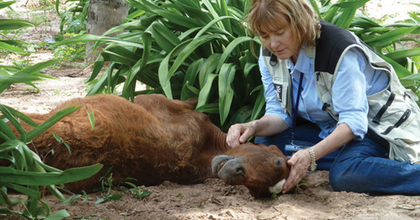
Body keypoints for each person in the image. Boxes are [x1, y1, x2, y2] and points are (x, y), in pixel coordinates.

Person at [226, 0, 420, 195]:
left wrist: (311, 155)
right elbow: (280, 113)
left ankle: (389, 167)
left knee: (344, 174)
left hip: (377, 129)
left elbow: (354, 122)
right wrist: (253, 126)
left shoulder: (338, 51)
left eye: (279, 32)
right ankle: (350, 158)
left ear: (298, 22)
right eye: (264, 35)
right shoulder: (269, 53)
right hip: (330, 127)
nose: (273, 44)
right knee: (266, 142)